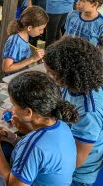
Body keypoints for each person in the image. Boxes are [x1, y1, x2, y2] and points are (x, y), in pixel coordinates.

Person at [0, 71, 78, 186]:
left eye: (14, 105)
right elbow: (40, 154)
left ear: (28, 112)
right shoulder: (62, 125)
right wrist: (13, 138)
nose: (12, 109)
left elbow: (11, 184)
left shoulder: (33, 146)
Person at [44, 37, 103, 186]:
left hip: (76, 176)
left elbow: (75, 161)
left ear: (68, 73)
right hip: (62, 145)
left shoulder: (89, 111)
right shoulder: (73, 84)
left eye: (51, 73)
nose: (49, 76)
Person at [2, 6, 48, 75]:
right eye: (40, 29)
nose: (42, 32)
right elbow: (6, 68)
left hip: (23, 72)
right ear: (29, 28)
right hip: (13, 78)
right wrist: (32, 59)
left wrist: (37, 57)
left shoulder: (25, 36)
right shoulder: (15, 41)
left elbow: (21, 57)